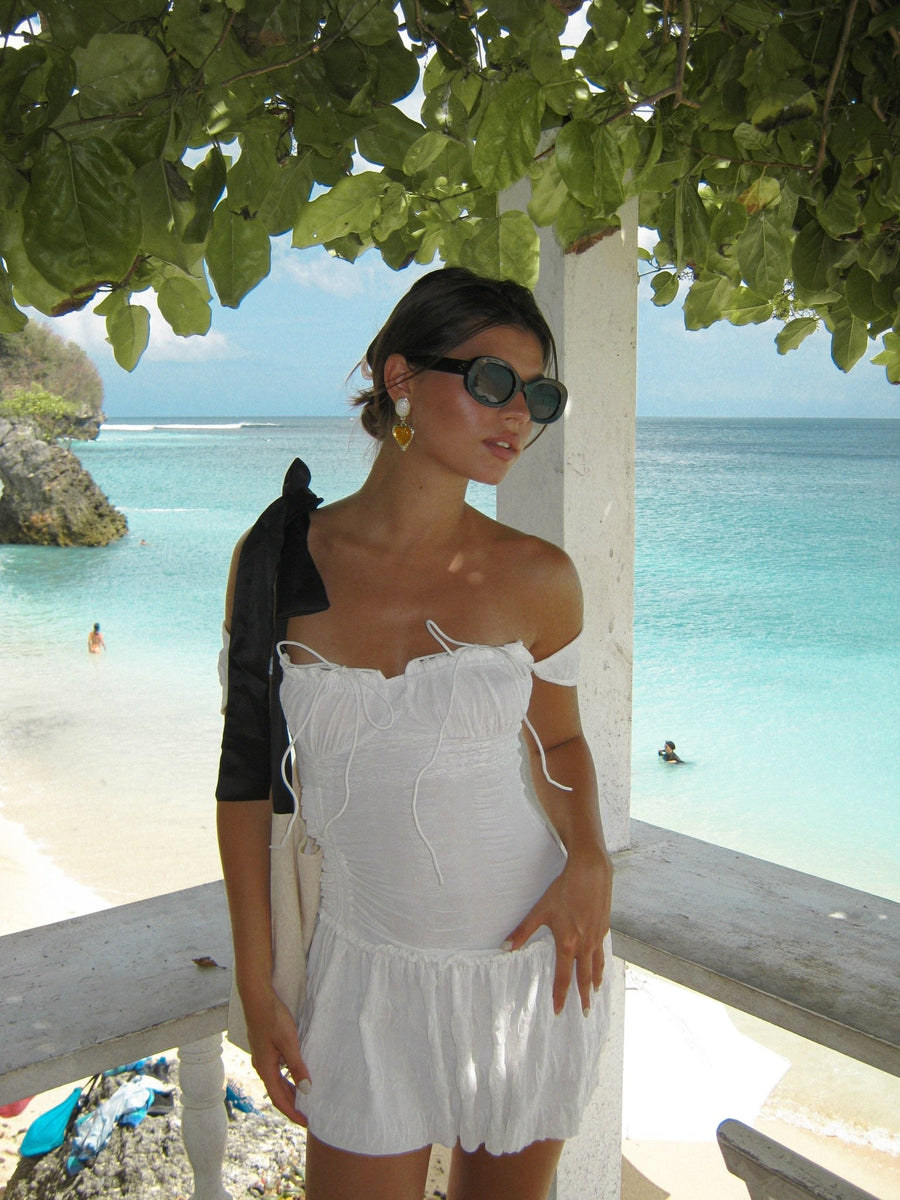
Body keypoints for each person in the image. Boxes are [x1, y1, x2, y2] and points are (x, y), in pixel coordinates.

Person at [216, 267, 614, 1200]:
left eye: (538, 395)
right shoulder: (278, 561)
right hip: (365, 980)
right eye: (492, 380)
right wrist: (258, 983)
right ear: (400, 378)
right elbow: (246, 784)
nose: (517, 414)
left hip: (531, 969)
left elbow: (559, 745)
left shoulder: (538, 577)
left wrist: (591, 858)